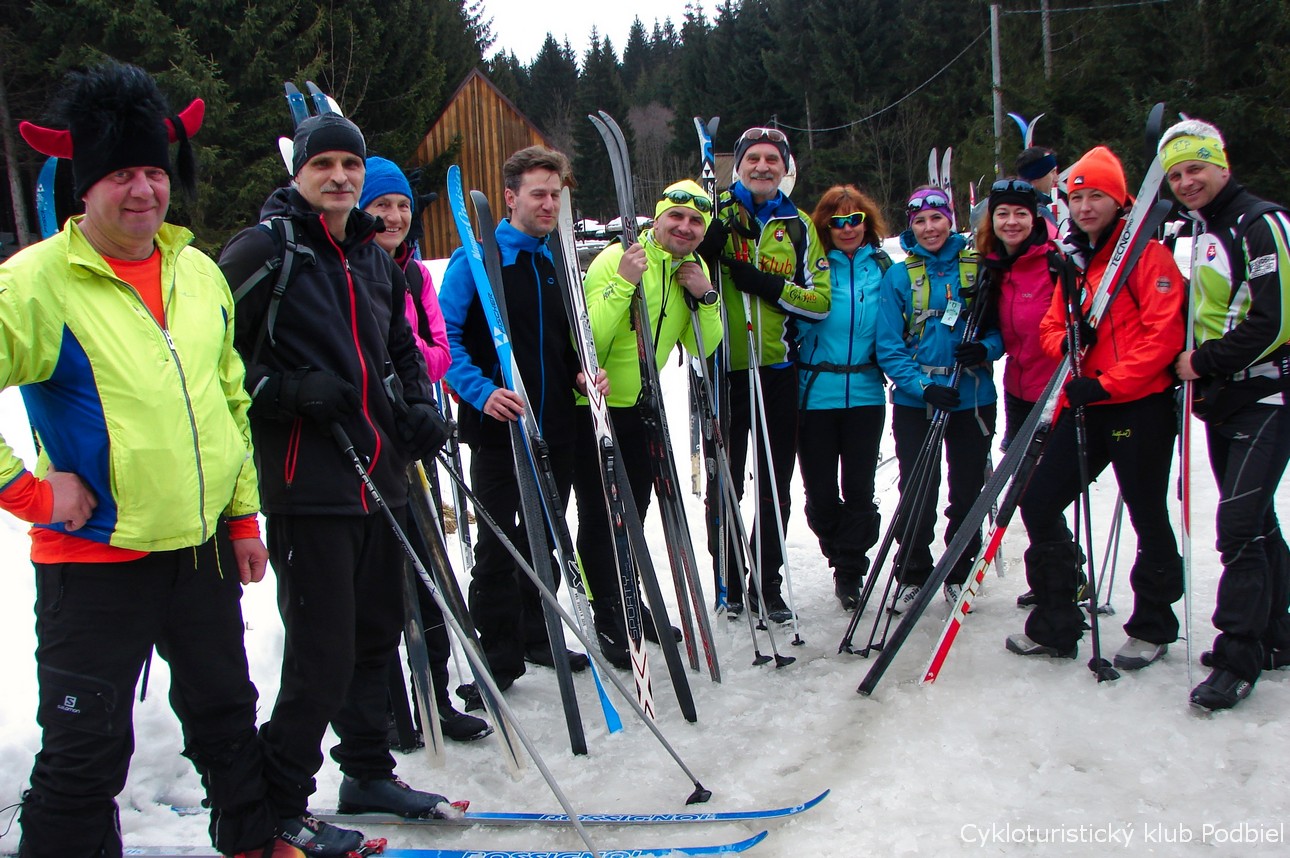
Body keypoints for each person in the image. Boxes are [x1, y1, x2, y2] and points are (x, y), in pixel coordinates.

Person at [4, 60, 280, 858]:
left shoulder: (197, 272)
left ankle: (253, 841)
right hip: (94, 562)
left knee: (227, 716)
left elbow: (228, 400)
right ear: (84, 186)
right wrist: (28, 493)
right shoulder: (36, 284)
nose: (143, 191)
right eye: (121, 174)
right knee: (85, 753)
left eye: (154, 172)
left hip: (198, 553)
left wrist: (241, 516)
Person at [219, 113, 455, 854]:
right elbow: (212, 358)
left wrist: (417, 407)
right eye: (322, 163)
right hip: (309, 482)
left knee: (375, 637)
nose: (340, 177)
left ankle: (367, 773)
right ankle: (281, 801)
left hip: (380, 475)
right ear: (298, 172)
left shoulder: (371, 256)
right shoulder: (266, 250)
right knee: (321, 654)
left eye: (350, 164)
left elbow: (402, 347)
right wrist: (285, 391)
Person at [1008, 145, 1185, 668]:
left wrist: (1108, 384)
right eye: (1077, 198)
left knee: (1146, 511)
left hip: (1137, 406)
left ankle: (1153, 625)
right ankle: (1058, 620)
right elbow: (1050, 324)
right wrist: (1067, 342)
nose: (1085, 208)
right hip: (1085, 403)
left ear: (1119, 199)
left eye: (1097, 197)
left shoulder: (1148, 256)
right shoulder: (1074, 261)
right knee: (1038, 501)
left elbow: (1163, 337)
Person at [439, 146, 597, 707]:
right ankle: (498, 659)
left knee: (546, 538)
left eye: (556, 194)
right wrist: (481, 392)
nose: (549, 204)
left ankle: (536, 634)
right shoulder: (476, 261)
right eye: (538, 194)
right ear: (510, 197)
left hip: (557, 427)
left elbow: (560, 340)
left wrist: (582, 372)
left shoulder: (554, 260)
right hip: (499, 431)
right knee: (499, 546)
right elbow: (445, 341)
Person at [1160, 120, 1290, 710]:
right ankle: (1277, 632)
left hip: (1268, 395)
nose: (1187, 182)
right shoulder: (1206, 228)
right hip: (1227, 396)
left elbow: (1275, 320)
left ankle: (1239, 656)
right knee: (1258, 521)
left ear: (1222, 165)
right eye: (1176, 175)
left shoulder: (1261, 222)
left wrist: (1202, 361)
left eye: (1196, 169)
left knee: (1237, 527)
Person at [359, 156, 490, 741]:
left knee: (428, 573)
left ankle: (435, 701)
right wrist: (401, 358)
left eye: (401, 206)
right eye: (380, 205)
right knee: (379, 587)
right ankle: (390, 712)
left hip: (415, 438)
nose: (393, 216)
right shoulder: (343, 272)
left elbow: (438, 355)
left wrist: (401, 354)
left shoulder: (414, 277)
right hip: (364, 449)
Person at [574, 179, 723, 666]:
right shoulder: (617, 259)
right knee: (602, 514)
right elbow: (588, 336)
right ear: (657, 218)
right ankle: (606, 612)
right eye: (675, 216)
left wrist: (705, 297)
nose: (685, 227)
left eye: (696, 221)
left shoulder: (691, 269)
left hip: (642, 408)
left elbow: (705, 345)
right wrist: (624, 282)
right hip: (594, 406)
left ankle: (628, 599)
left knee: (633, 512)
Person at [696, 127, 831, 622]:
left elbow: (820, 302)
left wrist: (769, 286)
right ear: (739, 165)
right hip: (724, 368)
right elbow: (673, 262)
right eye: (753, 157)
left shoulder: (798, 225)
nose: (762, 166)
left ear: (785, 167)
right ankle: (729, 577)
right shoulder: (714, 214)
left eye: (772, 159)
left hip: (776, 371)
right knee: (726, 482)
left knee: (775, 483)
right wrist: (703, 250)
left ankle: (767, 583)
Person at [875, 187, 1003, 613]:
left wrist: (985, 348)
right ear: (910, 226)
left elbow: (1000, 330)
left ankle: (960, 568)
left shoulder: (978, 268)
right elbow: (889, 345)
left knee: (966, 490)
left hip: (972, 397)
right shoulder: (899, 276)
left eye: (937, 218)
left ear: (950, 219)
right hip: (919, 401)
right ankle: (912, 571)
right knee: (918, 489)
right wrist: (921, 386)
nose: (929, 228)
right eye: (920, 221)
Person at [796, 185, 891, 610]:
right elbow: (792, 323)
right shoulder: (812, 268)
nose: (848, 228)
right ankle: (839, 548)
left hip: (866, 393)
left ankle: (850, 568)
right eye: (838, 221)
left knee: (859, 489)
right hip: (816, 394)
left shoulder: (883, 269)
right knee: (820, 494)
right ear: (825, 227)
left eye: (856, 219)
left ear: (867, 223)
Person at [973, 179, 1065, 610]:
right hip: (1018, 389)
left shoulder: (1055, 263)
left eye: (1020, 214)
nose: (1011, 222)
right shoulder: (997, 266)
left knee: (1042, 492)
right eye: (1003, 214)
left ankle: (1061, 580)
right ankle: (1057, 576)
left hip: (1057, 392)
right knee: (1029, 490)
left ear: (1035, 218)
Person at [1016, 146, 1061, 235]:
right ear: (1036, 175)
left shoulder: (1005, 207)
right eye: (1052, 172)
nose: (1056, 179)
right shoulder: (1040, 213)